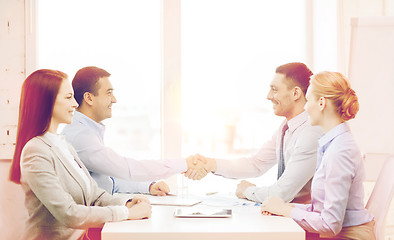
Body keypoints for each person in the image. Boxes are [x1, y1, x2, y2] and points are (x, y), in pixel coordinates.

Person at [9, 69, 152, 240]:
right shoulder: (35, 151)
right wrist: (126, 213)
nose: (76, 104)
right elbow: (69, 214)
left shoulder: (64, 145)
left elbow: (94, 195)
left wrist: (127, 203)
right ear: (47, 102)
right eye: (68, 97)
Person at [260, 71, 375, 240]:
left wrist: (285, 210)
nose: (305, 107)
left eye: (308, 100)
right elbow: (321, 211)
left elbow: (330, 224)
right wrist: (284, 207)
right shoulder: (332, 143)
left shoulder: (340, 152)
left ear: (321, 103)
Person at [186, 62, 322, 204]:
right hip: (291, 214)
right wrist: (210, 164)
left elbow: (281, 194)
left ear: (295, 93)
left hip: (309, 221)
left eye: (274, 90)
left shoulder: (311, 132)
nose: (268, 96)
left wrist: (247, 191)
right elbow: (256, 164)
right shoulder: (286, 128)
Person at [62, 66, 206, 196]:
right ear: (89, 98)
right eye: (108, 93)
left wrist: (149, 186)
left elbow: (109, 181)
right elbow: (128, 169)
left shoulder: (86, 130)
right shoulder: (80, 136)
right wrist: (183, 164)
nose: (114, 99)